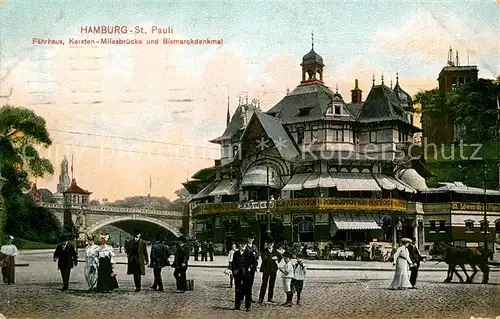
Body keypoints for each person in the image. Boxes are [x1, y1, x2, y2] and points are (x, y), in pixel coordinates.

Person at [258, 237, 281, 303]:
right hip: (266, 269)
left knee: (272, 284)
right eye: (269, 244)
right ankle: (261, 298)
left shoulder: (275, 251)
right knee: (264, 284)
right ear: (267, 244)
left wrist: (277, 259)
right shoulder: (264, 251)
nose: (270, 245)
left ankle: (270, 298)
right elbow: (264, 258)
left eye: (271, 244)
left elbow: (280, 257)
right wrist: (272, 258)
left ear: (273, 244)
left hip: (273, 270)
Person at [245, 232, 259, 298]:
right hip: (246, 266)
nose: (251, 240)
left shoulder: (254, 247)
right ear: (248, 239)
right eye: (250, 238)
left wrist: (255, 255)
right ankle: (244, 296)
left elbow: (257, 255)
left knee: (251, 282)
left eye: (252, 238)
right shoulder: (245, 246)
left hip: (253, 266)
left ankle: (249, 296)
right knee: (245, 281)